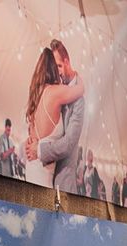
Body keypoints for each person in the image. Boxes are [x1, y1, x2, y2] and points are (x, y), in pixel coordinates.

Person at [27, 41, 88, 192]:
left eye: (59, 66)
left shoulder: (77, 101)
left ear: (67, 62)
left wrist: (39, 149)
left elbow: (68, 144)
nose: (58, 71)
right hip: (43, 175)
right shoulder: (54, 92)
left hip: (61, 183)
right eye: (55, 67)